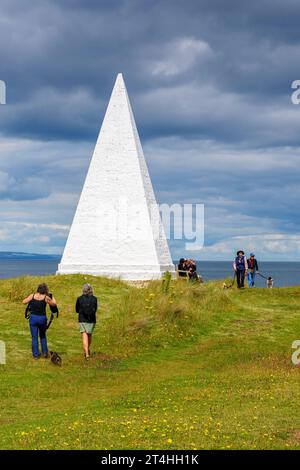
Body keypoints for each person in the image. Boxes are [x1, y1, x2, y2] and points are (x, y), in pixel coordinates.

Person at [22, 283, 57, 359]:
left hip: (33, 318)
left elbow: (24, 302)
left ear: (38, 289)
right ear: (45, 290)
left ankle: (36, 355)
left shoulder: (32, 295)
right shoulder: (46, 297)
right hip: (42, 318)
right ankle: (44, 353)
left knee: (34, 337)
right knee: (43, 336)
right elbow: (54, 305)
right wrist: (52, 297)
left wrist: (29, 299)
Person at [76, 283, 98, 360]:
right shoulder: (95, 299)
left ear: (83, 290)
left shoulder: (79, 298)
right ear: (91, 290)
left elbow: (77, 310)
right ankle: (87, 350)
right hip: (91, 319)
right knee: (89, 335)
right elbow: (95, 310)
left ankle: (87, 353)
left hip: (82, 319)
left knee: (84, 335)